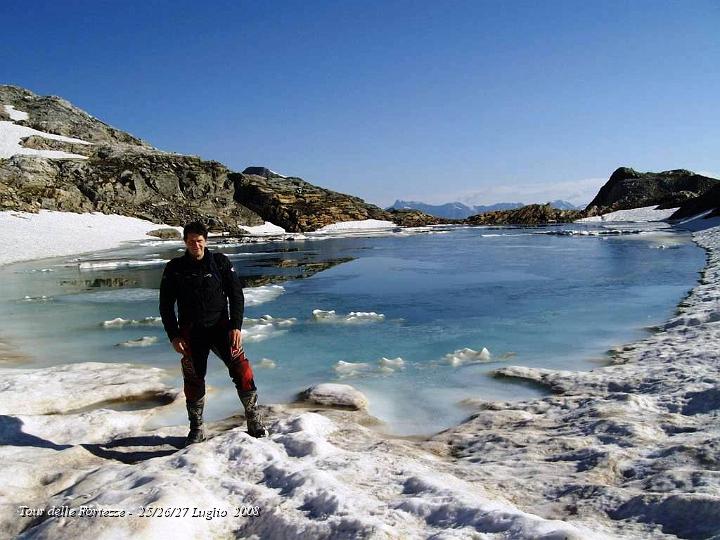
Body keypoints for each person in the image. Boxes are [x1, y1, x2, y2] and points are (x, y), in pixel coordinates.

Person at [159, 221, 268, 445]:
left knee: (242, 371)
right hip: (191, 332)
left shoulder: (220, 263)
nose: (195, 245)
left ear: (205, 241)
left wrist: (236, 326)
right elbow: (166, 306)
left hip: (222, 328)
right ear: (185, 242)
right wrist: (173, 335)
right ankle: (196, 428)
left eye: (199, 241)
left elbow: (236, 295)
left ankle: (253, 418)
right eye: (191, 241)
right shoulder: (175, 268)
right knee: (193, 380)